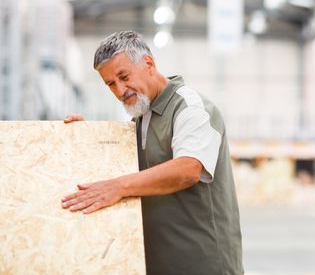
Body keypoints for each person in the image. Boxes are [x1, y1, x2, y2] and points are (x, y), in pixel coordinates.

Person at [62, 30, 244, 275]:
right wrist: (86, 137)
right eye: (110, 84)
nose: (119, 90)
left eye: (123, 76)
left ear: (148, 63)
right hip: (158, 262)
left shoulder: (191, 109)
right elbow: (125, 163)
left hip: (202, 263)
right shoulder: (143, 115)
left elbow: (187, 169)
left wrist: (116, 187)